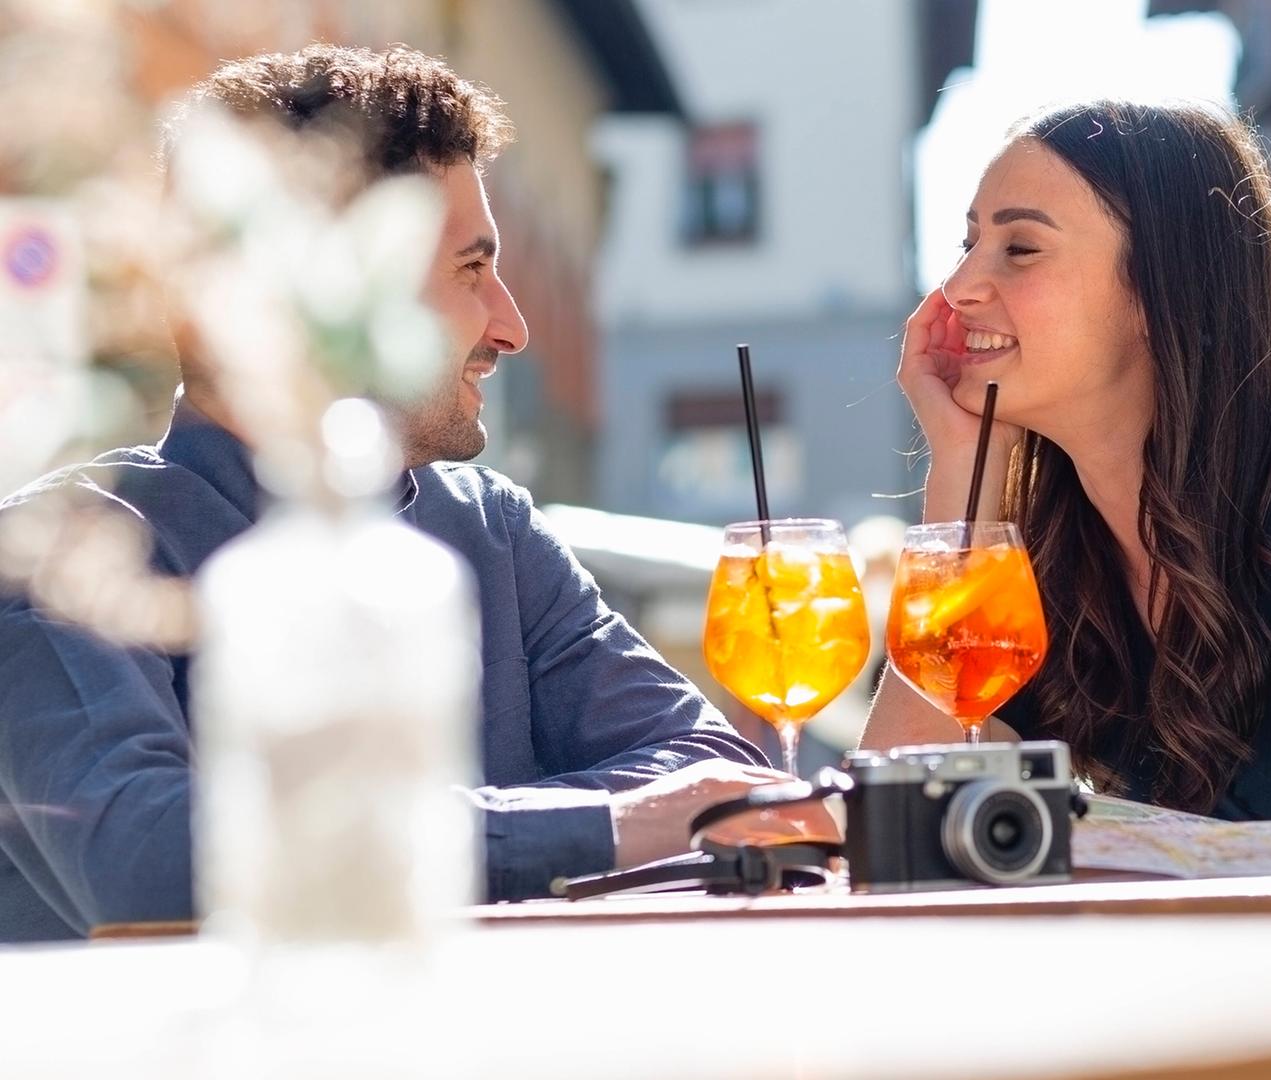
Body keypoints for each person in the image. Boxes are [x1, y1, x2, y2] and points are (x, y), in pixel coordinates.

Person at [0, 45, 822, 943]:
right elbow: (153, 868)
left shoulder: (491, 528)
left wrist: (506, 833)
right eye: (470, 270)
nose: (512, 325)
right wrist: (604, 827)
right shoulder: (69, 553)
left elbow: (709, 772)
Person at [861, 100, 1271, 826]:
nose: (958, 287)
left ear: (1161, 287)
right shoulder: (1035, 556)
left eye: (1019, 248)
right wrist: (961, 488)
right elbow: (894, 813)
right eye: (965, 245)